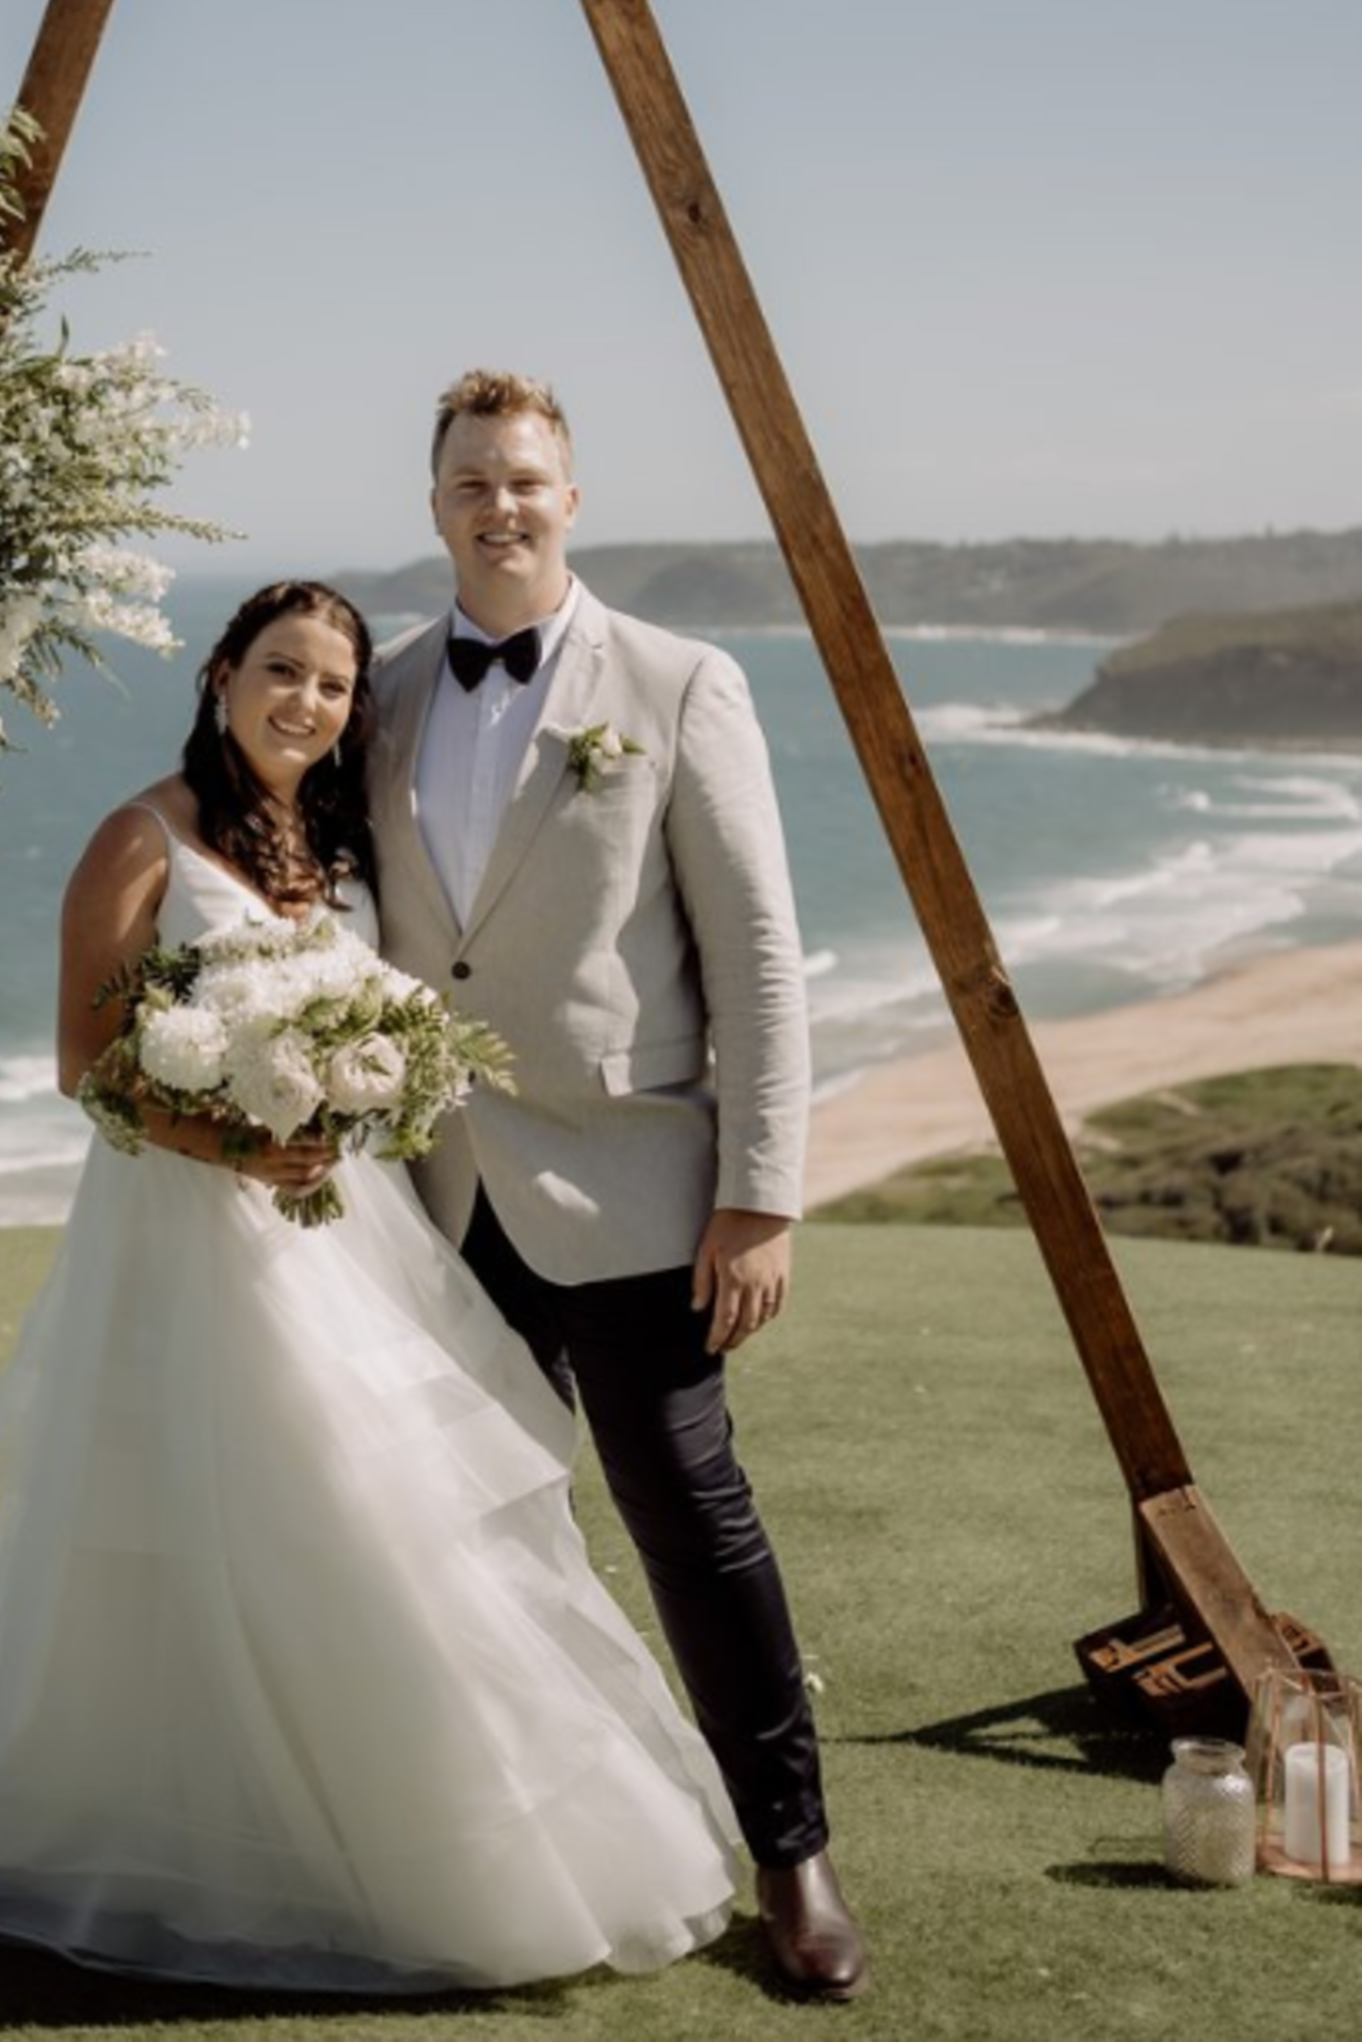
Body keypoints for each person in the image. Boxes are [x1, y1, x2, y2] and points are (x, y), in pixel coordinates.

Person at [0, 579, 744, 1993]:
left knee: (378, 1511)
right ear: (223, 673)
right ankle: (219, 1832)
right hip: (195, 1237)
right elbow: (86, 1062)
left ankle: (415, 1821)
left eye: (336, 686)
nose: (307, 701)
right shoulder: (142, 835)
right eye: (281, 670)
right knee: (252, 1514)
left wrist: (350, 1113)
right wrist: (237, 1141)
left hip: (350, 1228)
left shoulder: (339, 847)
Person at [368, 374, 869, 2004]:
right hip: (437, 1197)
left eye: (524, 480)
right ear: (433, 502)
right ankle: (508, 1843)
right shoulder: (374, 692)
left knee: (690, 1524)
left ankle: (790, 1851)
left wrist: (763, 1191)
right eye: (468, 483)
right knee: (460, 1534)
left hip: (641, 1190)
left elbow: (761, 957)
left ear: (571, 497)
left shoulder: (677, 680)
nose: (497, 507)